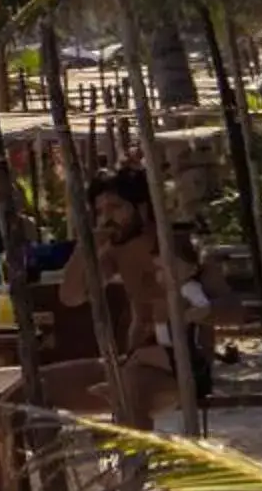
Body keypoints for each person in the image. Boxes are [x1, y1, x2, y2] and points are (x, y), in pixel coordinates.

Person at [51, 165, 234, 422]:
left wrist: (192, 312)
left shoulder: (185, 248)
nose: (106, 218)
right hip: (134, 360)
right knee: (33, 388)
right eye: (100, 211)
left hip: (183, 366)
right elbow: (71, 297)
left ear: (143, 208)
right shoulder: (116, 253)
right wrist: (85, 248)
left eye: (115, 208)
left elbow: (232, 310)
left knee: (129, 390)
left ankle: (135, 462)